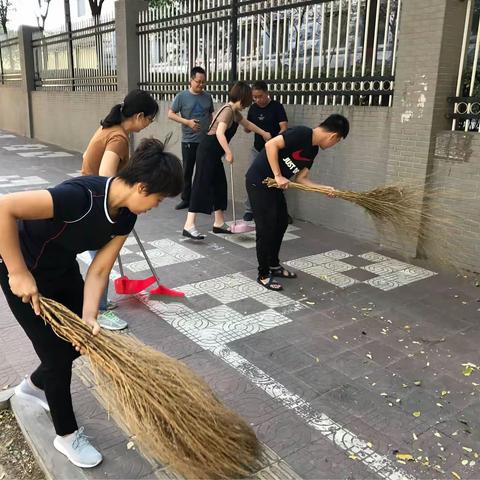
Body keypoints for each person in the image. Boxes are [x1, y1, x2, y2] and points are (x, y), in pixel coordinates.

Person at [2, 138, 182, 469]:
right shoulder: (79, 198)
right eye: (157, 200)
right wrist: (16, 271)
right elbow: (5, 207)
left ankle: (32, 388)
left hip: (62, 268)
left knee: (80, 341)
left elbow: (99, 270)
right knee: (56, 357)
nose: (156, 206)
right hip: (23, 267)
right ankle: (67, 436)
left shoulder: (126, 217)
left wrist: (89, 317)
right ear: (142, 187)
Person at [82, 89, 159, 330]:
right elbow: (106, 176)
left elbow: (86, 156)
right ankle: (99, 310)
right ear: (138, 116)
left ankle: (100, 303)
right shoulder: (118, 138)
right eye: (149, 119)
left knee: (100, 257)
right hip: (99, 204)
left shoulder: (108, 127)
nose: (148, 124)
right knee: (101, 260)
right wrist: (122, 201)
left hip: (89, 197)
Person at [246, 114, 350, 291]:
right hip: (259, 182)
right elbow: (270, 144)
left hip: (274, 187)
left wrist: (324, 189)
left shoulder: (313, 150)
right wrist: (278, 175)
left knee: (280, 223)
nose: (334, 145)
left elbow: (302, 179)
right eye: (337, 141)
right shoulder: (301, 134)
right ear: (333, 136)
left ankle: (273, 265)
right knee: (266, 228)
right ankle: (263, 274)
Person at [182, 81, 272, 240]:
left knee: (219, 186)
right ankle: (189, 225)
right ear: (242, 98)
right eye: (248, 100)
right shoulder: (228, 111)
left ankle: (219, 223)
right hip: (208, 151)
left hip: (214, 153)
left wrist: (264, 133)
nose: (249, 104)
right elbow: (220, 133)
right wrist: (228, 152)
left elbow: (247, 124)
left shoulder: (234, 111)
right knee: (201, 186)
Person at [167, 66, 214, 210]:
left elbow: (210, 114)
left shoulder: (207, 96)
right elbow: (171, 114)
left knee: (204, 171)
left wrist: (212, 129)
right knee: (187, 171)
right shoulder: (181, 96)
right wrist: (187, 122)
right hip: (189, 140)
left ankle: (202, 200)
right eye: (198, 81)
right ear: (191, 80)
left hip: (205, 140)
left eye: (203, 82)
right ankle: (186, 199)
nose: (201, 85)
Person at [243, 81, 288, 222]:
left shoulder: (277, 107)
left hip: (275, 151)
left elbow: (284, 127)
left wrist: (276, 141)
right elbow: (247, 128)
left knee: (278, 180)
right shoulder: (253, 108)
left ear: (267, 93)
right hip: (257, 150)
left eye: (260, 96)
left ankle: (282, 212)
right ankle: (249, 210)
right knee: (251, 178)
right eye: (254, 97)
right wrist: (246, 126)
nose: (257, 100)